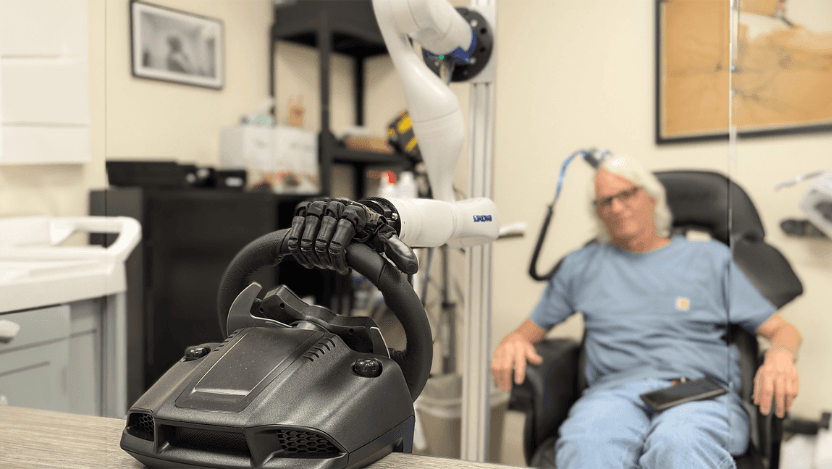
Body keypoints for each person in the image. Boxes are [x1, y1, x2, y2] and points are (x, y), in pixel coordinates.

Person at [490, 155, 802, 469]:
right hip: (612, 396)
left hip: (698, 393)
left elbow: (783, 331)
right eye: (605, 201)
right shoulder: (580, 266)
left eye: (626, 194)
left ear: (651, 197)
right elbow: (525, 333)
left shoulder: (709, 259)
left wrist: (780, 355)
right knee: (588, 450)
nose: (616, 207)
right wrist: (513, 342)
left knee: (680, 446)